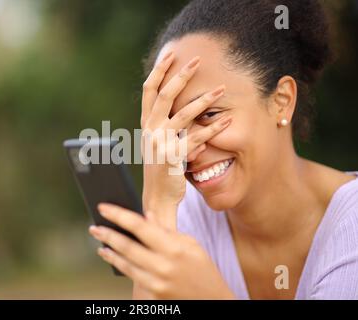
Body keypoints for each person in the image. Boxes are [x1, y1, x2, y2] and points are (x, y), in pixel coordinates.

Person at [88, 0, 358, 299]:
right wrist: (158, 206)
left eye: (209, 115)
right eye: (174, 127)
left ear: (281, 100)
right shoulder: (190, 211)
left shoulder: (351, 224)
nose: (186, 152)